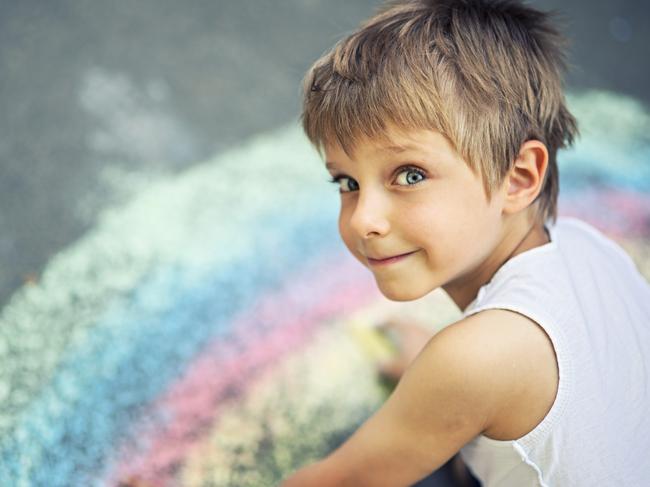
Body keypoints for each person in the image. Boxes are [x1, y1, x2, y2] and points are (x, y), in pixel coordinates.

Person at [281, 0, 650, 485]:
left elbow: (337, 483)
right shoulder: (589, 247)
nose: (363, 220)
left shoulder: (474, 360)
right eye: (346, 183)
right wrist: (436, 379)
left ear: (518, 178)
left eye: (409, 175)